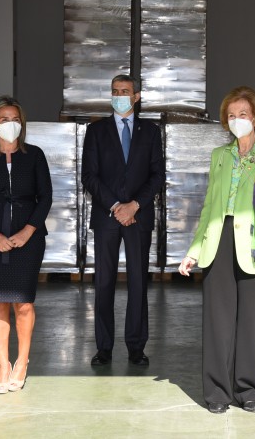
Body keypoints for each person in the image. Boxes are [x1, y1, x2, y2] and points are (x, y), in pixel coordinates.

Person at [179, 86, 255, 414]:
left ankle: (248, 390)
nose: (237, 120)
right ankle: (216, 392)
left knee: (249, 324)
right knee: (218, 323)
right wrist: (194, 250)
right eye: (231, 115)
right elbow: (210, 207)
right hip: (219, 241)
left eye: (243, 114)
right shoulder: (219, 157)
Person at [0, 95, 53, 394]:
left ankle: (22, 361)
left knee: (24, 303)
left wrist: (28, 232)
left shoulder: (35, 156)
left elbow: (46, 198)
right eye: (4, 119)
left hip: (28, 239)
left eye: (15, 119)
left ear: (22, 124)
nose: (10, 124)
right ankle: (3, 365)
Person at [81, 74, 165, 367]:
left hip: (138, 217)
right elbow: (89, 176)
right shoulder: (96, 131)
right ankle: (104, 347)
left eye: (125, 91)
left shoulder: (151, 132)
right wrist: (118, 206)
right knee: (103, 282)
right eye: (115, 91)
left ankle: (136, 347)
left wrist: (135, 205)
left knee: (138, 283)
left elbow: (157, 176)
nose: (119, 95)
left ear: (136, 96)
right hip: (107, 217)